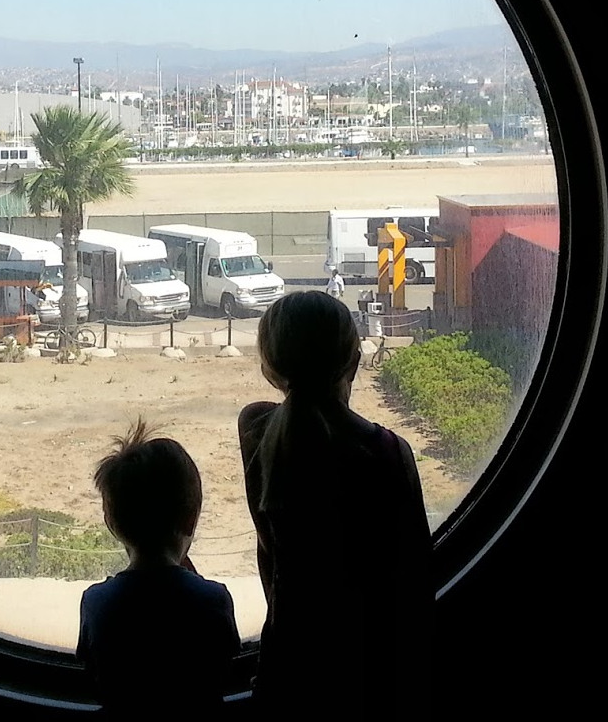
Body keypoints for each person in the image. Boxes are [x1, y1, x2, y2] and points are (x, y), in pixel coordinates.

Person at [238, 291, 432, 711]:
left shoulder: (257, 434)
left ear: (269, 370)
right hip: (372, 672)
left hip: (288, 669)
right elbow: (415, 583)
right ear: (355, 359)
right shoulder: (388, 452)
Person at [77, 419, 241, 716]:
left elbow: (96, 678)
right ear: (191, 518)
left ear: (112, 525)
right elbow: (223, 671)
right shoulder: (214, 599)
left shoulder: (96, 602)